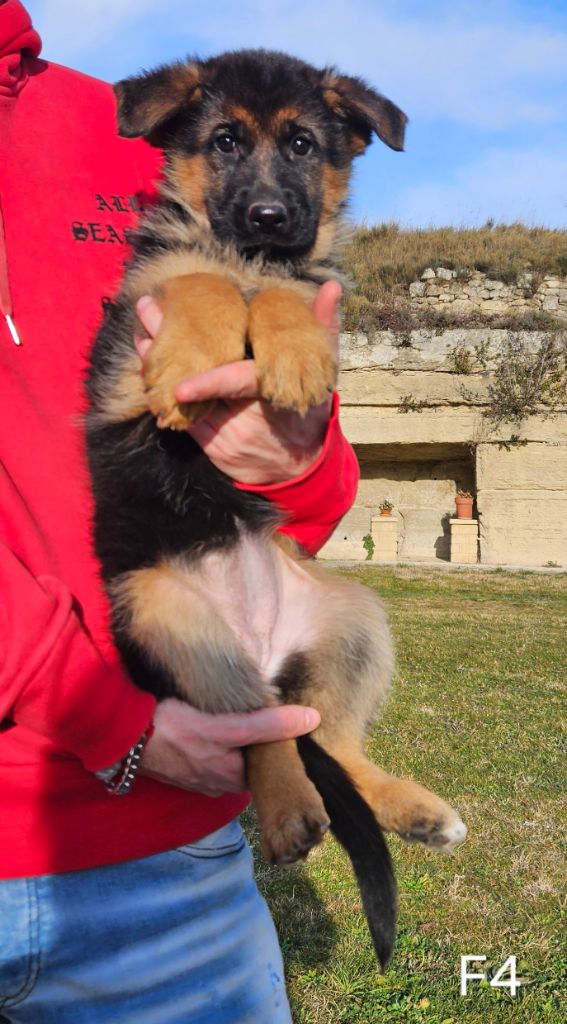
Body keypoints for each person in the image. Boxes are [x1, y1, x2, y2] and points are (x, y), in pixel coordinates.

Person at [0, 3, 359, 1021]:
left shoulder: (128, 127)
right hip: (110, 746)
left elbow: (307, 475)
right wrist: (105, 718)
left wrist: (294, 462)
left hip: (159, 868)